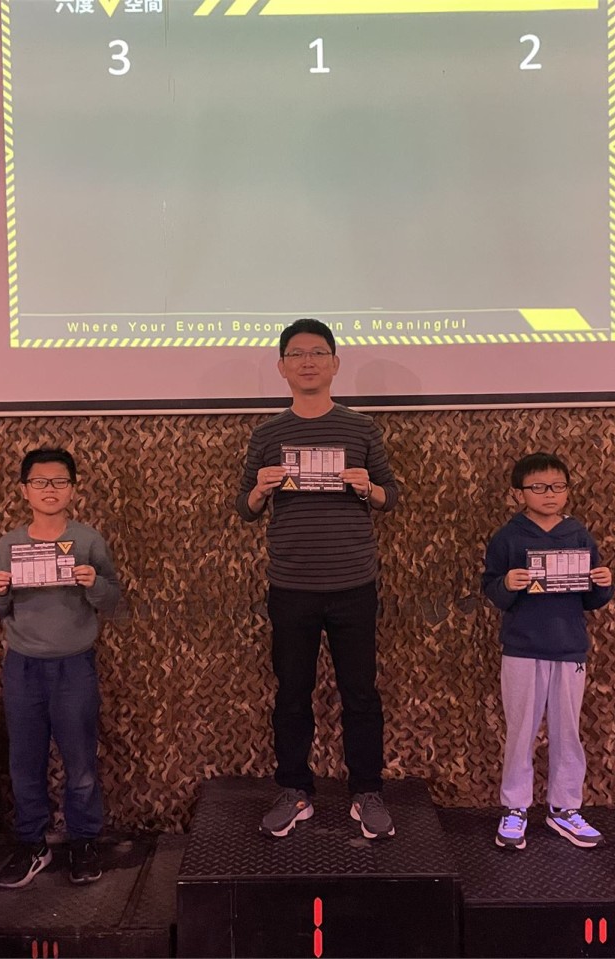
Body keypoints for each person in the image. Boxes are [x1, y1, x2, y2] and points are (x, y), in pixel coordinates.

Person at [236, 318, 400, 840]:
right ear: (282, 367)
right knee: (292, 693)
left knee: (361, 694)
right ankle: (294, 790)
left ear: (335, 363)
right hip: (291, 586)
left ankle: (367, 791)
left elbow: (391, 496)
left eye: (318, 353)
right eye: (297, 354)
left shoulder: (360, 429)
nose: (308, 362)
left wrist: (368, 487)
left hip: (354, 583)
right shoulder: (267, 434)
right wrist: (260, 490)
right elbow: (244, 508)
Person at [0, 447, 122, 887]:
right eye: (40, 482)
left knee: (80, 761)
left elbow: (113, 600)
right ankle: (32, 844)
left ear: (73, 489)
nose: (50, 490)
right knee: (25, 761)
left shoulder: (87, 541)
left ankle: (83, 842)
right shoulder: (8, 545)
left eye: (60, 481)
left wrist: (94, 583)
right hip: (23, 667)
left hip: (74, 666)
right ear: (24, 490)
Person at [480, 452, 614, 850]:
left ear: (568, 490)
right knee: (520, 731)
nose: (549, 494)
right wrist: (507, 583)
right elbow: (492, 591)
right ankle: (515, 807)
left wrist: (603, 583)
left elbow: (592, 598)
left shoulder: (578, 534)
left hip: (570, 648)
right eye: (538, 487)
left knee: (567, 732)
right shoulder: (508, 536)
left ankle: (564, 808)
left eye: (558, 486)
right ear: (518, 493)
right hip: (521, 649)